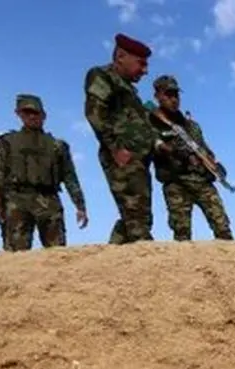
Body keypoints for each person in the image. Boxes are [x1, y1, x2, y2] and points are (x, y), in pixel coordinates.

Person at [83, 33, 162, 244]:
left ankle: (112, 256)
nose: (145, 71)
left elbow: (141, 125)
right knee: (137, 220)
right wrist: (115, 148)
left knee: (136, 218)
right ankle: (146, 258)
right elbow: (94, 113)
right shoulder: (103, 76)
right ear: (120, 56)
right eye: (141, 64)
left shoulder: (129, 91)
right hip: (123, 157)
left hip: (138, 160)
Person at [0, 94, 88, 251]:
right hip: (17, 200)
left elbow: (70, 177)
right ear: (19, 114)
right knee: (16, 255)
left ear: (44, 115)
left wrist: (80, 206)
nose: (32, 117)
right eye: (27, 112)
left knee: (57, 253)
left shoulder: (57, 146)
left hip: (49, 200)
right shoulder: (7, 142)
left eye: (35, 113)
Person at [149, 75, 233, 241]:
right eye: (168, 95)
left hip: (201, 181)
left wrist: (215, 165)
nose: (174, 99)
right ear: (157, 96)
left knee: (223, 228)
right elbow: (153, 144)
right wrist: (172, 150)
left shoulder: (191, 125)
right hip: (176, 183)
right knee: (182, 235)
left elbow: (204, 149)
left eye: (176, 95)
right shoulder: (152, 122)